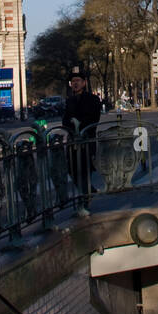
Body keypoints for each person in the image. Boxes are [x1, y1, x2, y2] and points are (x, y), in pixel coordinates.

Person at [63, 72, 102, 211]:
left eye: (78, 80)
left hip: (87, 138)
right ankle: (88, 192)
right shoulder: (69, 100)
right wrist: (72, 126)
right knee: (72, 169)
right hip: (73, 141)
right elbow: (65, 120)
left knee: (85, 169)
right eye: (73, 81)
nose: (75, 83)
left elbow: (94, 118)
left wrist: (81, 124)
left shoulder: (92, 99)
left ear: (84, 83)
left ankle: (85, 200)